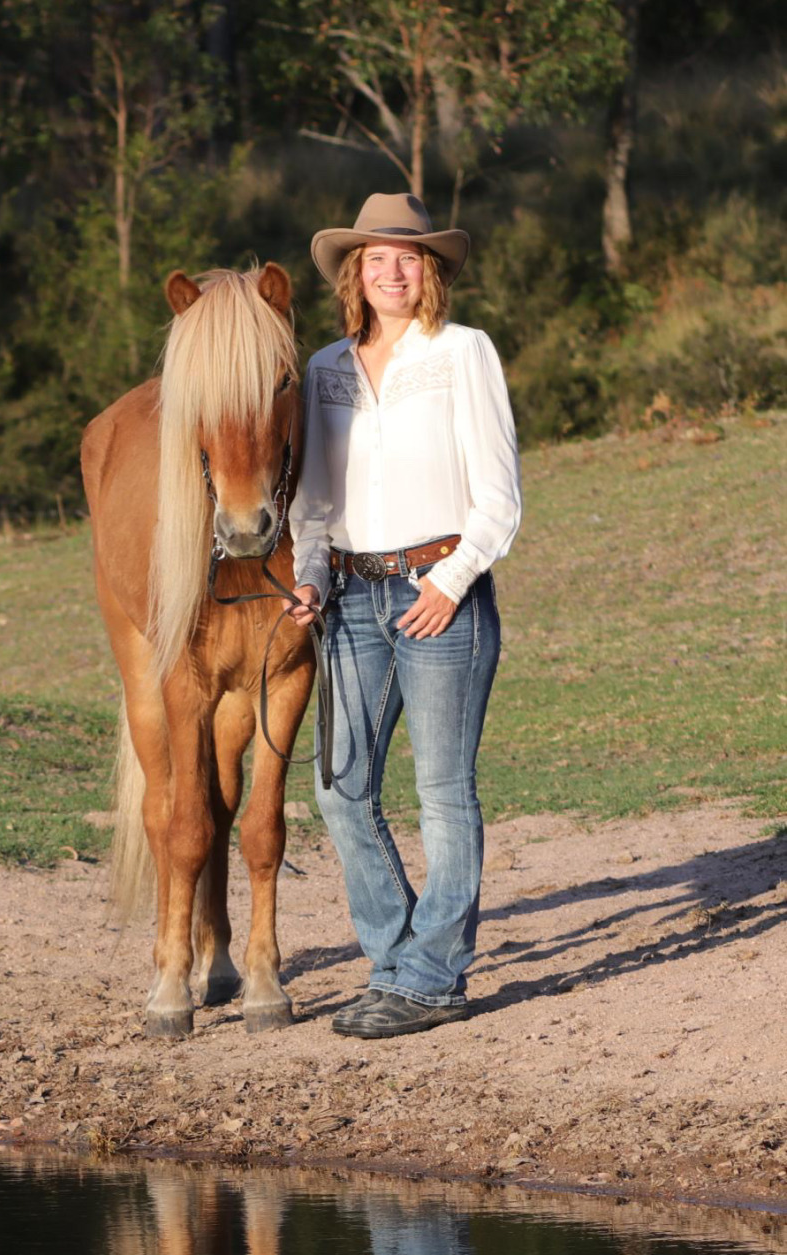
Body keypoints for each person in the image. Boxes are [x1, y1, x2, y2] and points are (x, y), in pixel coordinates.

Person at [287, 192, 522, 1039]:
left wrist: (451, 581)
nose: (392, 270)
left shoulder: (464, 353)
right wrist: (310, 578)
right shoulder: (324, 369)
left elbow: (499, 496)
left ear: (432, 271)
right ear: (356, 272)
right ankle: (394, 962)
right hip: (349, 597)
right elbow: (313, 503)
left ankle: (430, 979)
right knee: (340, 788)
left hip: (439, 595)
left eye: (409, 256)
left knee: (442, 792)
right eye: (377, 257)